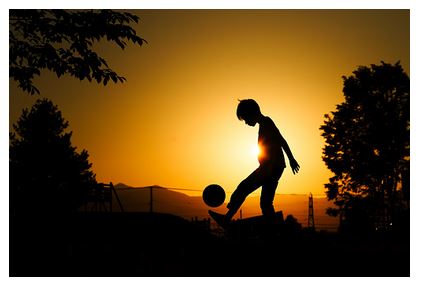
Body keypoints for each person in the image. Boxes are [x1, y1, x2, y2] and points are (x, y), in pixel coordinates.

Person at [209, 99, 300, 230]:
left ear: (252, 113)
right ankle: (274, 230)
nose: (246, 123)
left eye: (245, 119)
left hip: (270, 167)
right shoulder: (264, 124)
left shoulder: (267, 122)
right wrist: (289, 160)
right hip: (274, 167)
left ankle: (227, 218)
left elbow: (281, 140)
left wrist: (291, 158)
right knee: (266, 203)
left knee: (243, 187)